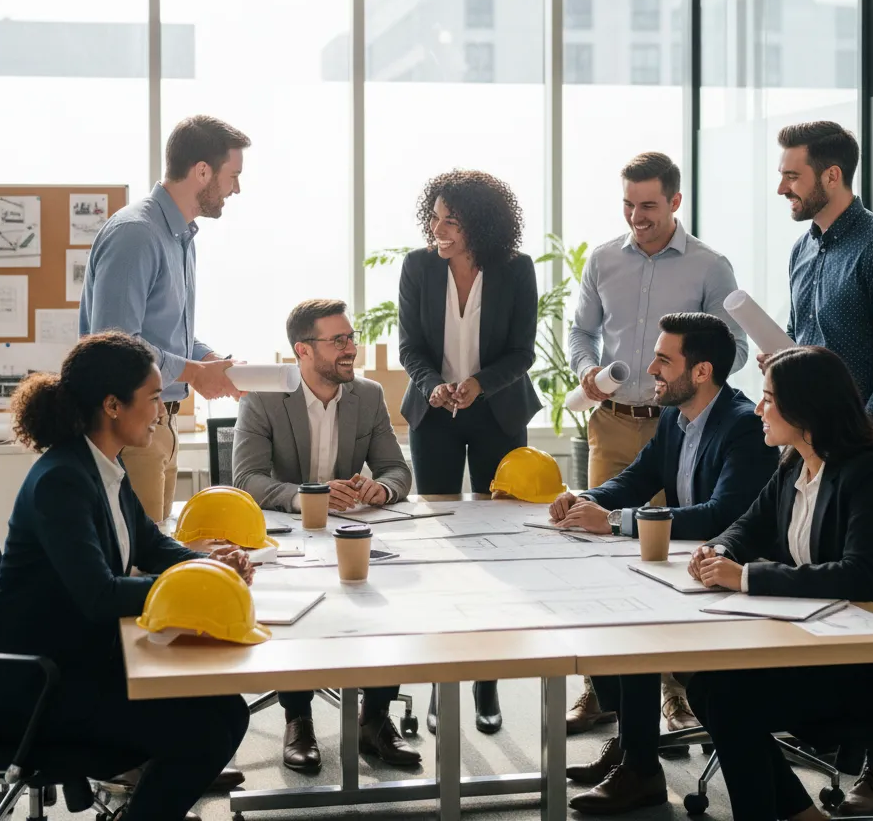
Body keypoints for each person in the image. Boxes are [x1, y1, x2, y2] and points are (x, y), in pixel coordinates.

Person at [0, 333, 253, 821]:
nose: (161, 412)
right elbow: (99, 595)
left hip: (76, 660)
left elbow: (150, 544)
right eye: (154, 398)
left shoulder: (102, 464)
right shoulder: (62, 479)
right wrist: (196, 588)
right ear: (113, 405)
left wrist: (209, 566)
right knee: (202, 732)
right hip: (31, 686)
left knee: (229, 709)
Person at [685, 346, 873, 821]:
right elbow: (749, 526)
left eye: (769, 399)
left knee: (729, 698)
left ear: (805, 407)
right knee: (707, 686)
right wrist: (720, 551)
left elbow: (858, 575)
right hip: (826, 641)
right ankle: (800, 815)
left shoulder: (866, 472)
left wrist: (745, 577)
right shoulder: (796, 463)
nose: (759, 409)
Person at [551, 314, 778, 814]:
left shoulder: (743, 424)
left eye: (663, 360)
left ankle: (640, 767)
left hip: (733, 576)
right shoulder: (675, 418)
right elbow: (636, 478)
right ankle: (633, 751)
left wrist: (615, 523)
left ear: (701, 371)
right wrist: (586, 499)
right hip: (686, 565)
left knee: (636, 625)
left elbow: (722, 514)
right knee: (612, 603)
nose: (650, 368)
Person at [565, 151, 748, 732]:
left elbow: (735, 348)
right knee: (598, 545)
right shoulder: (603, 260)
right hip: (615, 420)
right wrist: (587, 371)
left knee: (667, 555)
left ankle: (676, 690)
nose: (636, 216)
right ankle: (600, 689)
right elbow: (580, 332)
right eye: (628, 204)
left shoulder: (709, 266)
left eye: (647, 205)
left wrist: (694, 383)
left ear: (674, 201)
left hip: (682, 419)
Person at [232, 299, 420, 772]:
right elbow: (246, 479)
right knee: (296, 607)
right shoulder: (263, 397)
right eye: (338, 340)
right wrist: (308, 496)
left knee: (388, 597)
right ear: (303, 350)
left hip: (350, 531)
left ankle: (375, 720)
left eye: (350, 338)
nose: (350, 348)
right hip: (288, 529)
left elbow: (397, 469)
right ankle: (298, 719)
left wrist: (382, 488)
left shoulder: (368, 395)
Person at [398, 168, 541, 736]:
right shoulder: (418, 266)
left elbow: (523, 351)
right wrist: (433, 384)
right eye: (434, 217)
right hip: (433, 413)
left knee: (497, 549)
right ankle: (442, 678)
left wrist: (479, 384)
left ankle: (486, 680)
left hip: (497, 414)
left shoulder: (516, 268)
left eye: (451, 221)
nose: (438, 229)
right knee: (439, 549)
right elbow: (410, 346)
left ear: (480, 225)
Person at [80, 114, 251, 523]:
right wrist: (194, 373)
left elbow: (167, 334)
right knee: (136, 557)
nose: (236, 189)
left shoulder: (181, 237)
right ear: (202, 171)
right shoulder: (136, 234)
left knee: (159, 548)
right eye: (233, 176)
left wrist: (207, 360)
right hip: (128, 426)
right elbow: (116, 346)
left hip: (162, 425)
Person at [769, 121, 873, 463]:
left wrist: (861, 440)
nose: (781, 189)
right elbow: (800, 334)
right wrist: (780, 359)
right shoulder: (801, 249)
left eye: (792, 177)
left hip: (866, 450)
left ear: (832, 176)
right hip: (805, 441)